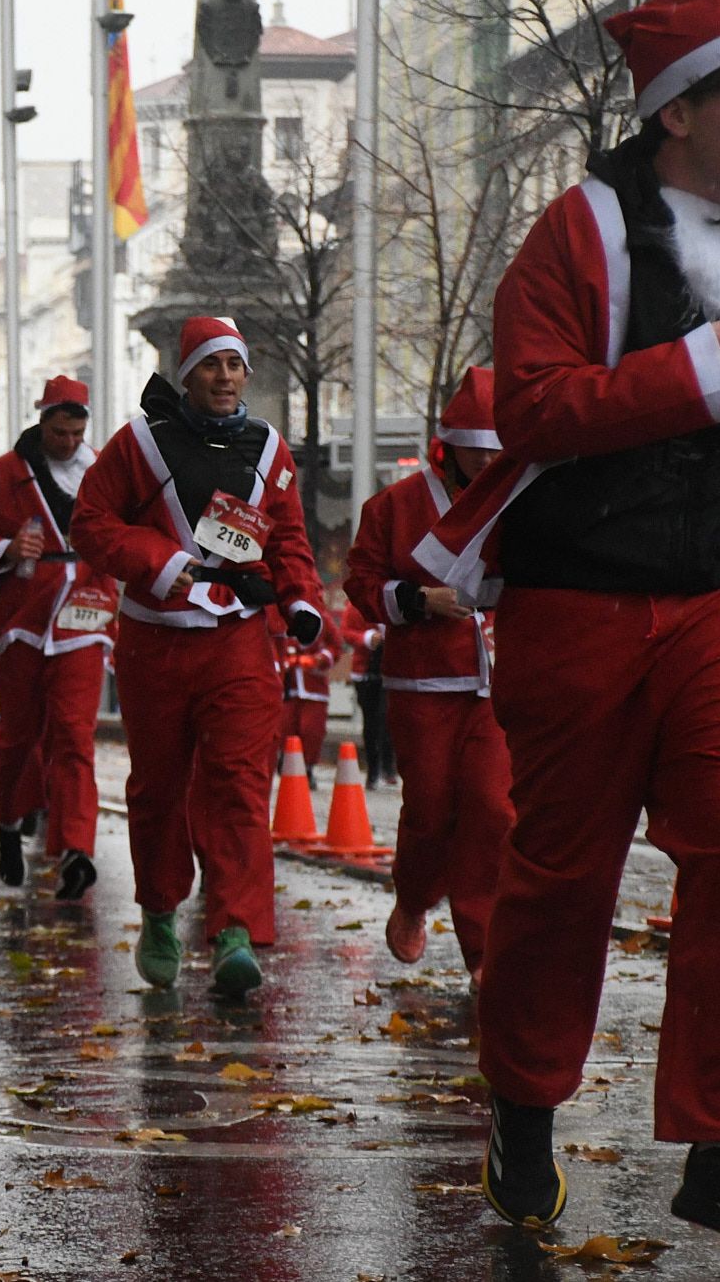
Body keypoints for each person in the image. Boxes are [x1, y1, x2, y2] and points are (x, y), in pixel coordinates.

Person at [415, 0, 720, 1244]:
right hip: (576, 595)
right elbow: (532, 409)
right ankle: (524, 1103)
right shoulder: (578, 233)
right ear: (678, 113)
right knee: (560, 872)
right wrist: (691, 376)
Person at [72, 316, 326, 999]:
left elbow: (289, 537)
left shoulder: (270, 449)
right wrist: (163, 562)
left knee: (240, 783)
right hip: (155, 639)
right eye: (211, 366)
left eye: (235, 366)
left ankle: (236, 930)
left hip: (238, 640)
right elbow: (91, 523)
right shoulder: (139, 447)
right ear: (187, 374)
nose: (225, 378)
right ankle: (159, 908)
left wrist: (300, 600)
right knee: (159, 787)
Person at [345, 368, 510, 983]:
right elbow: (361, 582)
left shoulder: (516, 498)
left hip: (495, 685)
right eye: (479, 447)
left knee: (493, 811)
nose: (490, 459)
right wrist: (417, 601)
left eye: (500, 447)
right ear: (451, 444)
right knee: (430, 812)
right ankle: (412, 897)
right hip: (422, 688)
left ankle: (483, 956)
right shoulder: (395, 506)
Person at [0, 375, 118, 900]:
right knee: (18, 736)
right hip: (24, 622)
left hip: (85, 621)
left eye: (77, 433)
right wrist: (6, 547)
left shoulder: (102, 474)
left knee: (74, 735)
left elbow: (126, 535)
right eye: (59, 432)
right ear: (41, 420)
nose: (69, 442)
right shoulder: (4, 474)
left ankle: (76, 848)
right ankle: (9, 826)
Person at [274, 607, 341, 788]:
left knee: (311, 729)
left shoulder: (324, 619)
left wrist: (320, 658)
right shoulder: (280, 615)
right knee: (286, 727)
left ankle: (308, 767)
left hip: (314, 687)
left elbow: (335, 646)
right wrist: (285, 661)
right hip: (288, 686)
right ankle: (287, 763)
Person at [341, 600, 393, 790]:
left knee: (388, 718)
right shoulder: (356, 606)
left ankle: (389, 767)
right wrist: (368, 638)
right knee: (371, 721)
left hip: (392, 671)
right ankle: (373, 771)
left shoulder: (398, 601)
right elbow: (346, 632)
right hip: (365, 672)